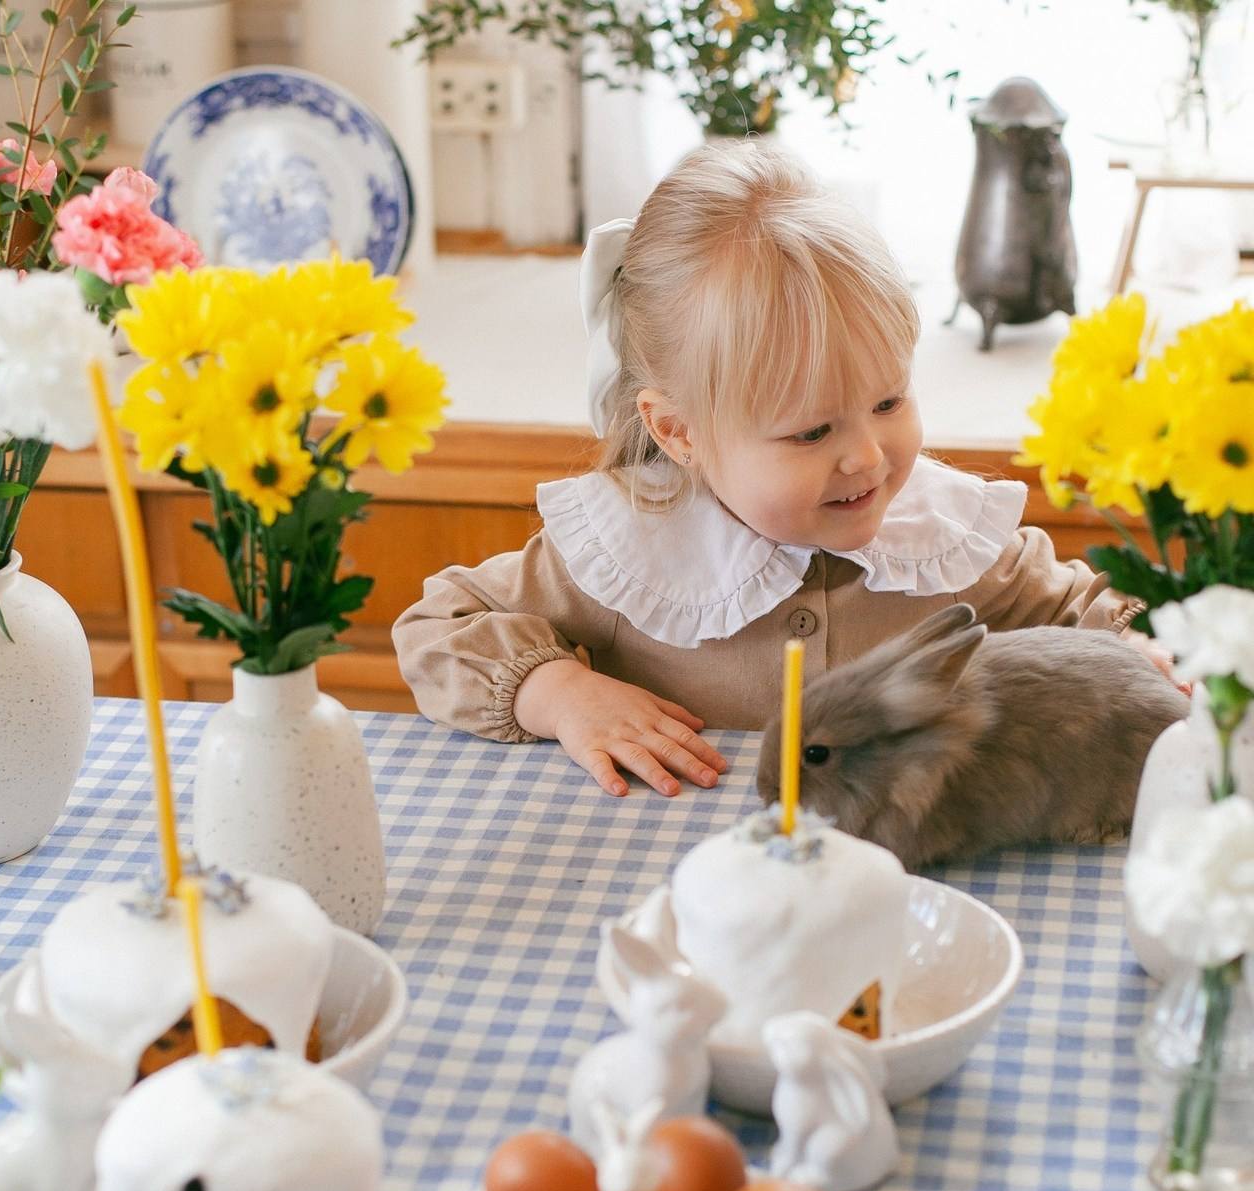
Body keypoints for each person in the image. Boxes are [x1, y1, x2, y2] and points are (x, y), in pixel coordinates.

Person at [394, 140, 1154, 799]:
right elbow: (435, 629)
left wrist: (1152, 643)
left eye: (889, 401)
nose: (865, 455)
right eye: (811, 431)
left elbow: (1089, 615)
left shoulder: (945, 541)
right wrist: (558, 693)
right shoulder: (629, 548)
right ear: (678, 431)